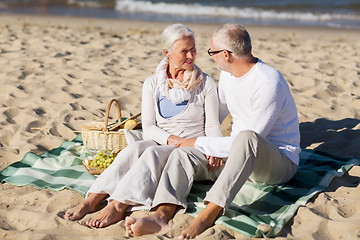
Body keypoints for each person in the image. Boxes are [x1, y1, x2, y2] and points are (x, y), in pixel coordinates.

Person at [125, 23, 300, 239]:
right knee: (182, 155)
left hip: (277, 163)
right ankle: (161, 215)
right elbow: (216, 117)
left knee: (244, 138)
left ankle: (206, 215)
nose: (208, 57)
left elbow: (252, 140)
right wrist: (197, 144)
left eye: (212, 52)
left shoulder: (268, 82)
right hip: (236, 156)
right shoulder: (227, 74)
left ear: (225, 55)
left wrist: (199, 143)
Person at [63, 23, 222, 228]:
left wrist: (215, 148)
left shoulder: (205, 83)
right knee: (136, 147)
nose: (191, 55)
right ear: (168, 53)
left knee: (152, 153)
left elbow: (212, 125)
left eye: (193, 49)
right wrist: (174, 140)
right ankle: (91, 200)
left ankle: (117, 206)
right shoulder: (152, 84)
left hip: (194, 151)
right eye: (185, 51)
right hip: (167, 143)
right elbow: (148, 127)